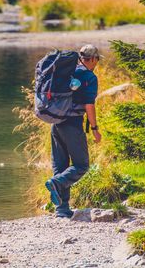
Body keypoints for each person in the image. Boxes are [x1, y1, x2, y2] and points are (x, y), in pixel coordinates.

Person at [45, 44, 102, 218]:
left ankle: (62, 209)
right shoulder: (89, 77)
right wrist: (94, 128)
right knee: (81, 165)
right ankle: (55, 183)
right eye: (97, 59)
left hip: (56, 123)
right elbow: (89, 105)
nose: (97, 63)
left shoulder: (67, 72)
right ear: (92, 59)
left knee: (61, 165)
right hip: (72, 124)